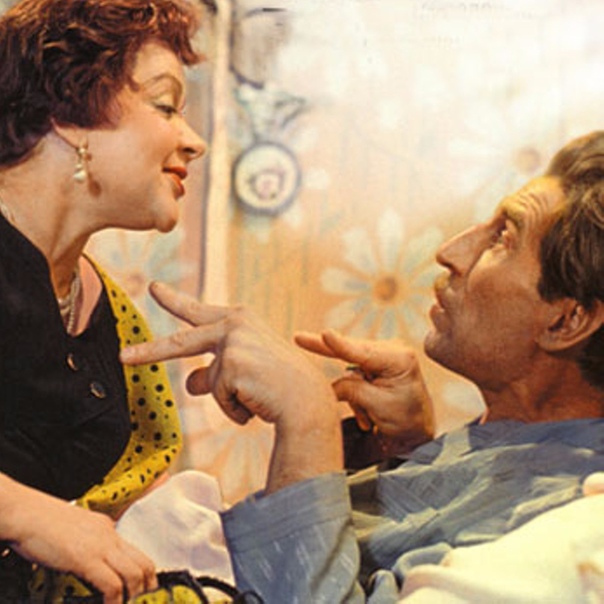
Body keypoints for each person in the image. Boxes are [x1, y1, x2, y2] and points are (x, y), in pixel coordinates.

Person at [121, 130, 604, 602]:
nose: (452, 253)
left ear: (568, 320)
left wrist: (308, 422)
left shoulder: (566, 530)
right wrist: (405, 449)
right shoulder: (528, 443)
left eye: (503, 239)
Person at [0, 0, 207, 601]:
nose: (193, 142)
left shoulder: (108, 309)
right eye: (165, 105)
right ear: (69, 109)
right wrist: (22, 513)